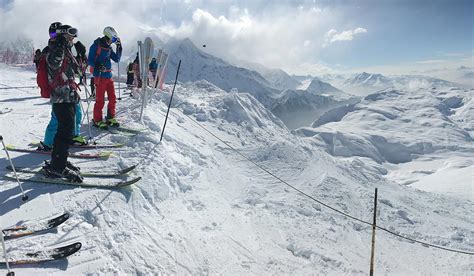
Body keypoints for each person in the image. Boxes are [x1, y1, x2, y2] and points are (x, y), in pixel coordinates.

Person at [41, 24, 83, 183]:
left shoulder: (65, 49)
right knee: (65, 132)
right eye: (70, 36)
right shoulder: (55, 48)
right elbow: (53, 64)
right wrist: (60, 45)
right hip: (61, 96)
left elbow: (78, 72)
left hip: (68, 95)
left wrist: (80, 54)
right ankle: (57, 167)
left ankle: (59, 161)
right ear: (63, 35)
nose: (73, 39)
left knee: (66, 130)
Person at [88, 26, 122, 129]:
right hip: (100, 77)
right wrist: (98, 66)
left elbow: (117, 59)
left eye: (114, 40)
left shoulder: (109, 48)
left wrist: (119, 47)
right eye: (113, 39)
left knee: (112, 98)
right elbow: (89, 60)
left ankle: (110, 117)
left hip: (109, 77)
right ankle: (97, 120)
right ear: (107, 36)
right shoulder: (96, 46)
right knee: (100, 100)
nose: (113, 41)